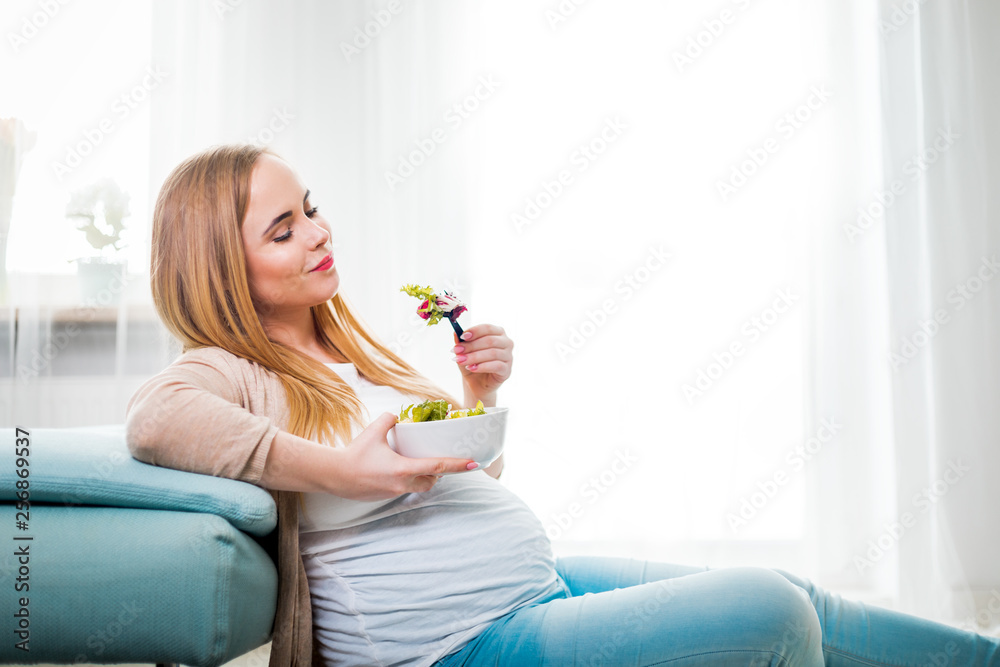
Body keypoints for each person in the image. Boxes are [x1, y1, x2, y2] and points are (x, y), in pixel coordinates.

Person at [125, 143, 1000, 667]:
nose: (317, 231)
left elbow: (460, 475)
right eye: (282, 229)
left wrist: (478, 397)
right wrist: (338, 465)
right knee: (772, 612)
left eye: (309, 209)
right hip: (459, 644)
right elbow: (157, 419)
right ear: (219, 267)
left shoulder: (346, 349)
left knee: (811, 599)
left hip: (530, 588)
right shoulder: (230, 368)